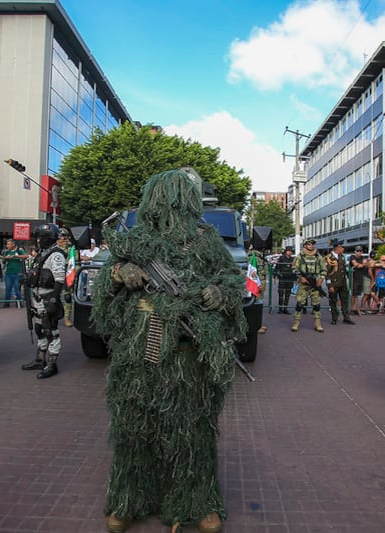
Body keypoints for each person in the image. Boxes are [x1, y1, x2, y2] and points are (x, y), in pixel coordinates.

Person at [91, 169, 246, 533]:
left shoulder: (205, 241)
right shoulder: (136, 238)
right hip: (138, 356)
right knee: (133, 431)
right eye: (165, 202)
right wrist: (118, 273)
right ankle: (129, 499)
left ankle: (198, 500)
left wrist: (220, 293)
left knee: (192, 433)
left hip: (187, 354)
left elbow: (231, 279)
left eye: (178, 203)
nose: (171, 210)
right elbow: (103, 289)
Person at [20, 224, 67, 379]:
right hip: (37, 298)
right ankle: (40, 359)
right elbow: (36, 273)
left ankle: (52, 363)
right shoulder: (42, 253)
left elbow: (60, 278)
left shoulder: (56, 254)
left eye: (41, 237)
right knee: (39, 328)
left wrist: (54, 299)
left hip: (48, 297)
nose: (39, 240)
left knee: (51, 330)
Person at [291, 238, 326, 333]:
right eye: (309, 244)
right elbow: (294, 268)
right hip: (304, 284)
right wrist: (300, 277)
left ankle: (317, 323)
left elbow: (324, 269)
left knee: (316, 305)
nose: (311, 246)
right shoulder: (300, 256)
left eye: (312, 244)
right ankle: (296, 323)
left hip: (315, 283)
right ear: (305, 245)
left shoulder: (318, 256)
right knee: (299, 304)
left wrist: (321, 279)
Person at [326, 239, 354, 325]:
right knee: (333, 301)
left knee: (345, 300)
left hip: (342, 282)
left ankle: (346, 317)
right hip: (334, 283)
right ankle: (334, 318)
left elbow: (342, 269)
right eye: (342, 247)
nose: (343, 248)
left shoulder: (342, 256)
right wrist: (329, 285)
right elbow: (326, 273)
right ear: (337, 247)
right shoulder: (329, 258)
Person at [56, 227, 75, 327]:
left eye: (65, 236)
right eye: (61, 236)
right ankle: (53, 316)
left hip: (67, 274)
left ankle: (67, 318)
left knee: (67, 297)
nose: (63, 239)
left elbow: (76, 262)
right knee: (53, 297)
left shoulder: (72, 248)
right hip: (54, 275)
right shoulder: (53, 248)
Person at [1, 239, 28, 307]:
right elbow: (3, 260)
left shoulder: (19, 250)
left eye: (8, 244)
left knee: (17, 288)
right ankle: (6, 303)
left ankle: (18, 303)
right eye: (7, 244)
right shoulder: (6, 252)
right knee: (8, 288)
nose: (7, 246)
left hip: (17, 272)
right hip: (8, 272)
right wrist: (6, 258)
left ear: (13, 244)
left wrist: (16, 256)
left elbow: (26, 256)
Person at [249, 246, 268, 333]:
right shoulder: (254, 257)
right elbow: (254, 273)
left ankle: (258, 325)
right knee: (255, 306)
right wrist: (258, 284)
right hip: (255, 286)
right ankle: (255, 327)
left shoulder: (260, 257)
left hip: (260, 285)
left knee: (258, 305)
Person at [273, 246, 296, 314]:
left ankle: (285, 308)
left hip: (290, 279)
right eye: (288, 251)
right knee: (281, 294)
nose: (290, 252)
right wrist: (275, 277)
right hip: (282, 278)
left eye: (291, 251)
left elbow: (295, 270)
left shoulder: (293, 259)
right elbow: (277, 268)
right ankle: (280, 308)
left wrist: (295, 279)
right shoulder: (281, 259)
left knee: (287, 295)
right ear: (286, 251)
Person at [349, 246, 371, 315]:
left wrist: (361, 264)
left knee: (357, 294)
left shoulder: (362, 258)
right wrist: (361, 265)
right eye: (357, 251)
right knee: (353, 294)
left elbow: (365, 263)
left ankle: (355, 308)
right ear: (355, 251)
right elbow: (355, 264)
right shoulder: (352, 257)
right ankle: (352, 308)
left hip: (360, 278)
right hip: (353, 278)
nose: (359, 252)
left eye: (360, 251)